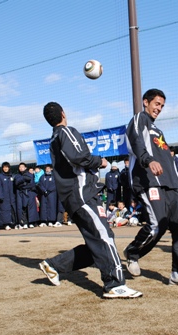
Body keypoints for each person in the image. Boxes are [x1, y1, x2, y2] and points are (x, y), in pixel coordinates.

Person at [39, 101, 142, 299]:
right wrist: (99, 160)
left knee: (96, 241)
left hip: (74, 198)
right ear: (63, 113)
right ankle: (115, 283)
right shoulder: (65, 132)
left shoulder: (53, 139)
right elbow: (78, 156)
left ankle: (54, 265)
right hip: (83, 195)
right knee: (104, 236)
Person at [122, 88, 178, 288]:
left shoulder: (158, 131)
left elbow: (168, 159)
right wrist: (148, 161)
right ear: (145, 102)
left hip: (171, 185)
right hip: (148, 181)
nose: (159, 108)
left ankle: (177, 274)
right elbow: (135, 140)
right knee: (156, 224)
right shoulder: (139, 119)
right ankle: (132, 253)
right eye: (157, 104)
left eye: (162, 106)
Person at [14, 162, 39, 229]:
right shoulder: (17, 176)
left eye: (22, 167)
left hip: (29, 193)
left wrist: (23, 184)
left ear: (25, 167)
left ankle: (31, 222)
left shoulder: (30, 174)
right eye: (20, 167)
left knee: (30, 208)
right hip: (21, 194)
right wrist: (24, 180)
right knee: (23, 208)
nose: (21, 168)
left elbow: (31, 184)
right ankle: (24, 222)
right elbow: (16, 183)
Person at [0, 162, 17, 230]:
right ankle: (6, 224)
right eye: (4, 167)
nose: (5, 168)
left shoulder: (11, 176)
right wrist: (0, 196)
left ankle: (13, 223)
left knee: (12, 210)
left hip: (11, 197)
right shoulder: (0, 177)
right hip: (4, 198)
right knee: (4, 211)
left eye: (7, 167)